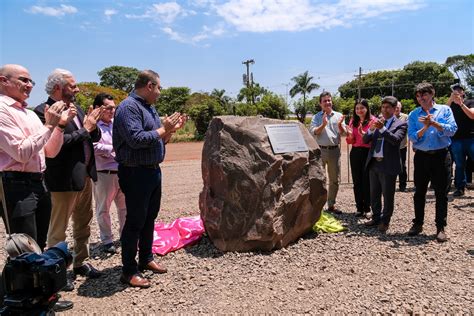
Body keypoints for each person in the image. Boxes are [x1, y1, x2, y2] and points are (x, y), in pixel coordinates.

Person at [0, 64, 75, 312]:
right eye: (24, 80)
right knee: (23, 248)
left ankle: (41, 298)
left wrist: (59, 126)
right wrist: (49, 125)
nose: (30, 85)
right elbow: (21, 152)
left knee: (38, 245)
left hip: (38, 182)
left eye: (31, 81)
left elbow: (50, 151)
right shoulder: (2, 110)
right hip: (14, 183)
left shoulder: (31, 114)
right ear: (3, 81)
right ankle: (14, 302)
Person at [113, 70, 186, 288]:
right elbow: (136, 139)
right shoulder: (128, 107)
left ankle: (145, 259)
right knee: (135, 221)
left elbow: (157, 139)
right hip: (135, 172)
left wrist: (170, 131)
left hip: (152, 171)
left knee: (149, 218)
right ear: (149, 86)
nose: (161, 92)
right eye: (159, 88)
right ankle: (128, 270)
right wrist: (164, 128)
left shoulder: (149, 108)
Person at [34, 69, 104, 286]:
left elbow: (93, 135)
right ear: (58, 87)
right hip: (62, 180)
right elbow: (55, 146)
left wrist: (93, 125)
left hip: (83, 178)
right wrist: (86, 129)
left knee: (83, 223)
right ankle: (58, 271)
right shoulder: (42, 112)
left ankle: (81, 262)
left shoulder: (78, 109)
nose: (77, 89)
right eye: (73, 86)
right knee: (58, 229)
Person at [407, 82, 457, 242]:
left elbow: (452, 130)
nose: (421, 98)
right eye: (418, 95)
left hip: (441, 156)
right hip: (421, 156)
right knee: (419, 192)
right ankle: (418, 223)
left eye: (424, 94)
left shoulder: (445, 110)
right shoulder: (414, 115)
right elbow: (412, 137)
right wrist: (424, 127)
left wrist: (434, 123)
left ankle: (440, 227)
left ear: (432, 94)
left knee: (441, 193)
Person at [362, 96, 407, 233]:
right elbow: (365, 140)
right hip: (374, 163)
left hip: (388, 164)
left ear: (394, 109)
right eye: (383, 107)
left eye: (388, 107)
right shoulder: (377, 122)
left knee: (388, 195)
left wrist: (382, 129)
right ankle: (376, 217)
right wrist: (370, 130)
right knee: (374, 193)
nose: (384, 110)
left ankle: (385, 221)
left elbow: (396, 140)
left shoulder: (401, 124)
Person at [92, 93, 126, 254]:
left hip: (122, 171)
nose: (113, 111)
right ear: (98, 108)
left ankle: (125, 237)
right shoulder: (92, 126)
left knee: (124, 207)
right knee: (103, 209)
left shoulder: (117, 124)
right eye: (109, 108)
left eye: (114, 108)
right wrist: (113, 148)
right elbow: (92, 146)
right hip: (103, 173)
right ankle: (107, 240)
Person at [309, 91, 346, 214]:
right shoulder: (316, 117)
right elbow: (313, 132)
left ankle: (331, 205)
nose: (327, 103)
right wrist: (323, 124)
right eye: (324, 101)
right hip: (320, 151)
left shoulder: (339, 116)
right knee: (318, 179)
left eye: (329, 100)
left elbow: (344, 134)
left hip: (334, 151)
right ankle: (318, 207)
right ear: (320, 103)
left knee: (334, 180)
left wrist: (340, 126)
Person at [345, 98, 376, 217]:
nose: (359, 110)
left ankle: (368, 207)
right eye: (357, 108)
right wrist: (349, 135)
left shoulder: (373, 121)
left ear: (367, 108)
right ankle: (359, 207)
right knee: (357, 180)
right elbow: (350, 141)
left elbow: (375, 139)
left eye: (362, 108)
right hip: (355, 152)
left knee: (367, 180)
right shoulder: (353, 121)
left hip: (368, 152)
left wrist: (365, 135)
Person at [446, 83, 473, 197]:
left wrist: (461, 104)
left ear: (463, 92)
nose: (457, 92)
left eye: (459, 90)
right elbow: (442, 113)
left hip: (471, 138)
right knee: (459, 164)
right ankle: (460, 187)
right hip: (456, 139)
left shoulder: (470, 101)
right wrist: (450, 100)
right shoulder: (450, 105)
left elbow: (472, 115)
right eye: (455, 90)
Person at [395, 101, 409, 192]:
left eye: (398, 107)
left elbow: (407, 129)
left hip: (402, 146)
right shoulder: (387, 117)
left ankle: (402, 185)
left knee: (402, 166)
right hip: (390, 146)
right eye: (395, 107)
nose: (396, 108)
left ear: (401, 107)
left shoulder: (405, 117)